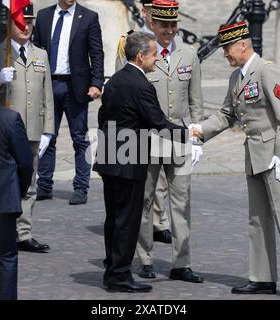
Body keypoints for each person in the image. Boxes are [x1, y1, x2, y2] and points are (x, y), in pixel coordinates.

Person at [192, 21, 280, 300]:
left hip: (274, 156)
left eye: (227, 49)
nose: (225, 55)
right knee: (257, 219)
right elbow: (226, 115)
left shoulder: (267, 71)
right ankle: (262, 278)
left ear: (243, 45)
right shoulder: (236, 78)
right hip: (254, 156)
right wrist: (199, 130)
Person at [93, 32, 188, 293]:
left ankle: (112, 268)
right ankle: (120, 276)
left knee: (113, 218)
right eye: (153, 54)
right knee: (128, 220)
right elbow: (158, 123)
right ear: (140, 56)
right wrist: (190, 134)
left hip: (110, 156)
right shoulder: (141, 85)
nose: (156, 59)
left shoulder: (114, 82)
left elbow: (103, 117)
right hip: (129, 159)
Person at [135, 0, 204, 282]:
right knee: (145, 200)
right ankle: (145, 258)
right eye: (164, 25)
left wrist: (198, 138)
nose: (170, 30)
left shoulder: (189, 55)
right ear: (152, 24)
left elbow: (196, 103)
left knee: (181, 202)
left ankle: (181, 263)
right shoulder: (139, 51)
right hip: (147, 139)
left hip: (179, 139)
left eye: (174, 25)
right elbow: (125, 95)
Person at [33, 0, 105, 205]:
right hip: (49, 84)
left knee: (80, 139)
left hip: (76, 86)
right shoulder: (44, 16)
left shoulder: (89, 17)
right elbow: (36, 48)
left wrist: (96, 83)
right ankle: (44, 185)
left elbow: (96, 53)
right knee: (48, 136)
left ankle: (81, 187)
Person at [0, 4, 53, 253]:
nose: (26, 26)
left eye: (29, 22)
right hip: (3, 130)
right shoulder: (0, 54)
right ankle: (1, 228)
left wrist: (48, 130)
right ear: (10, 23)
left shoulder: (41, 55)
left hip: (32, 128)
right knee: (2, 180)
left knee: (30, 181)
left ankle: (24, 232)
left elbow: (46, 96)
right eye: (21, 21)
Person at [115, 0, 172, 246]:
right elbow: (122, 83)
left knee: (162, 183)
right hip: (143, 129)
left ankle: (160, 222)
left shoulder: (174, 49)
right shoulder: (131, 43)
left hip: (163, 126)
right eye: (147, 9)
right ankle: (144, 230)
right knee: (146, 185)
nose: (148, 14)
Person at [0, 97, 34, 300]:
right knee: (6, 257)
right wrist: (19, 191)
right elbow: (25, 164)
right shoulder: (10, 118)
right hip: (2, 201)